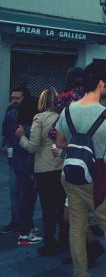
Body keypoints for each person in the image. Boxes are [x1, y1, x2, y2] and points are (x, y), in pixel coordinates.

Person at [56, 62, 106, 277]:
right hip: (97, 177)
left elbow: (61, 142)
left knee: (77, 226)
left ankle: (80, 273)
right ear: (100, 84)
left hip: (71, 174)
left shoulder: (68, 110)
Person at [17, 88, 67, 256]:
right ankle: (64, 240)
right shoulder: (63, 116)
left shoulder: (39, 118)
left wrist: (21, 137)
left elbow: (32, 147)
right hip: (61, 165)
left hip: (44, 169)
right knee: (61, 206)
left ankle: (50, 244)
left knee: (47, 208)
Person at [1, 86, 29, 234]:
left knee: (26, 192)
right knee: (14, 191)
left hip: (27, 159)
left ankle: (26, 222)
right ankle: (15, 220)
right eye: (12, 98)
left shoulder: (31, 115)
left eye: (17, 98)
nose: (14, 101)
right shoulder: (10, 113)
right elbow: (5, 133)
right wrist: (5, 146)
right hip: (14, 158)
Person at [15, 96, 40, 246]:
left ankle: (28, 227)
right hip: (30, 168)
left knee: (26, 198)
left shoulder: (21, 124)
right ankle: (24, 234)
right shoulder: (31, 127)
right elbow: (32, 148)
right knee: (28, 200)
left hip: (20, 165)